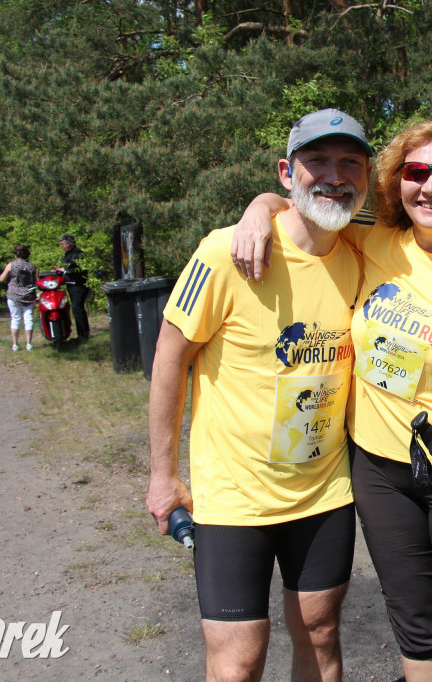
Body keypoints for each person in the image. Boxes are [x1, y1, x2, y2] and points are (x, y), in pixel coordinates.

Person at [232, 117, 432, 682]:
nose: (431, 187)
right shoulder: (371, 237)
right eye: (417, 172)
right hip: (380, 474)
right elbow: (308, 199)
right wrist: (259, 207)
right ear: (398, 182)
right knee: (418, 630)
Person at [146, 109, 371, 682]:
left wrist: (263, 203)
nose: (333, 174)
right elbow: (170, 356)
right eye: (316, 160)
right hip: (232, 499)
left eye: (350, 162)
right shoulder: (225, 253)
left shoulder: (363, 253)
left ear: (366, 177)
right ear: (286, 171)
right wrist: (162, 474)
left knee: (320, 637)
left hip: (323, 496)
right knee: (238, 660)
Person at [0, 244, 39, 351]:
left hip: (13, 295)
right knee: (29, 318)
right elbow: (37, 281)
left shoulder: (11, 265)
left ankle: (15, 344)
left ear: (15, 254)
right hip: (29, 295)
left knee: (15, 318)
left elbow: (2, 279)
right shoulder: (33, 266)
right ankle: (29, 344)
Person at [53, 234, 90, 339]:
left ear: (68, 243)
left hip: (79, 285)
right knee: (76, 309)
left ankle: (84, 334)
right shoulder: (67, 255)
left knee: (77, 308)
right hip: (71, 286)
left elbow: (79, 269)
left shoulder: (78, 254)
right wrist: (58, 272)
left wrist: (64, 270)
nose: (61, 245)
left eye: (62, 243)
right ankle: (81, 334)